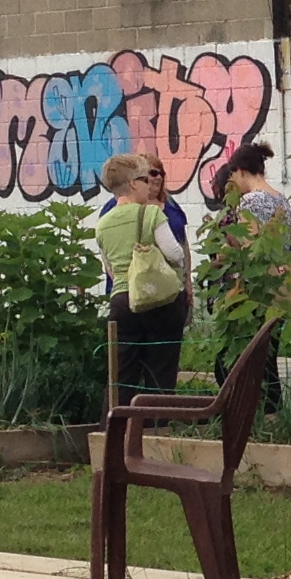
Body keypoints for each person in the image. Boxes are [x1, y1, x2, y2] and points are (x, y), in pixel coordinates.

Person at [92, 150, 191, 401]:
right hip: (160, 299)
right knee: (161, 371)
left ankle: (115, 431)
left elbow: (110, 268)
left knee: (122, 373)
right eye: (146, 180)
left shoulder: (103, 223)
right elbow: (175, 253)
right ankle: (156, 431)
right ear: (133, 183)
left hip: (122, 299)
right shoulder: (152, 214)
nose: (151, 185)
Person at [207, 141, 291, 406]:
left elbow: (248, 248)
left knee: (237, 360)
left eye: (233, 176)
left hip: (252, 289)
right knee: (268, 359)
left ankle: (245, 413)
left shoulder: (249, 201)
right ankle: (273, 415)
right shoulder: (282, 199)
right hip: (278, 286)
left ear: (241, 172)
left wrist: (225, 248)